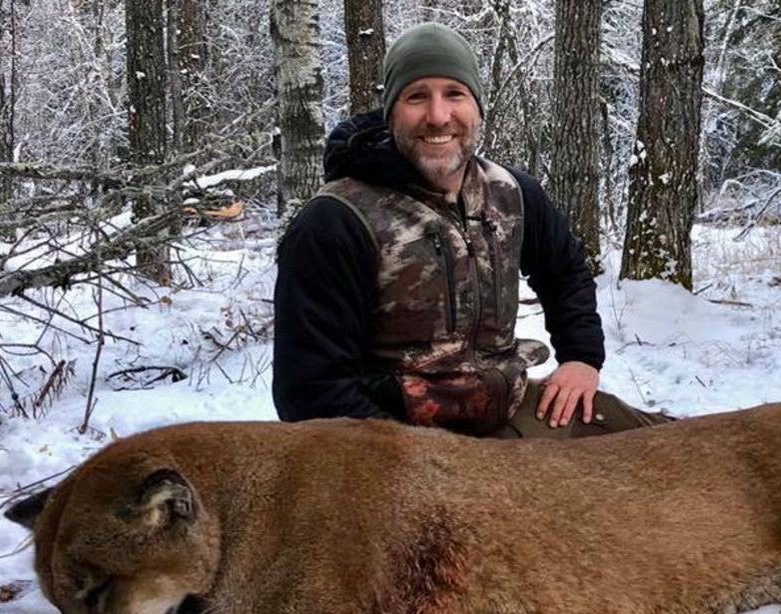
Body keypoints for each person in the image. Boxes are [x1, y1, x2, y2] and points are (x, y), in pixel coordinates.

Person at [272, 22, 669, 438]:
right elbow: (310, 394)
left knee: (662, 450)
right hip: (393, 443)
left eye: (454, 94)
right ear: (391, 111)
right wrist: (419, 464)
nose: (438, 116)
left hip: (506, 409)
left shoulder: (512, 193)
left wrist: (582, 358)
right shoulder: (335, 222)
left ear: (478, 106)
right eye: (417, 96)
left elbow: (565, 271)